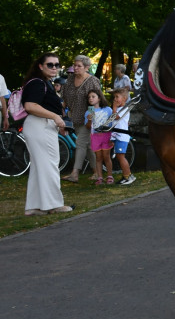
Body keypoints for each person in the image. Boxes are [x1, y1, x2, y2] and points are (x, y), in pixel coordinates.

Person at [21, 53, 73, 215]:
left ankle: (35, 207)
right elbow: (30, 106)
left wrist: (58, 122)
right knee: (49, 166)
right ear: (40, 66)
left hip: (41, 126)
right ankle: (53, 205)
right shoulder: (37, 83)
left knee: (40, 167)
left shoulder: (43, 83)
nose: (54, 68)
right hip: (40, 126)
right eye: (50, 64)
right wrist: (55, 117)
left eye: (57, 65)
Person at [61, 55, 102, 183]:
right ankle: (97, 172)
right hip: (75, 118)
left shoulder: (92, 81)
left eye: (79, 66)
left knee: (80, 144)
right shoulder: (70, 79)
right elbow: (65, 96)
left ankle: (75, 173)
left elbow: (95, 101)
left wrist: (90, 120)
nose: (76, 68)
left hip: (88, 119)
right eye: (75, 65)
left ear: (87, 67)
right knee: (88, 146)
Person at [85, 90, 114, 185]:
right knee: (98, 158)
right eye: (89, 97)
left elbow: (112, 122)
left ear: (99, 98)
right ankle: (100, 177)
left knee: (106, 156)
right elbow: (88, 127)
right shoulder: (89, 111)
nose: (90, 98)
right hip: (95, 136)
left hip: (106, 135)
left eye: (93, 96)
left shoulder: (107, 109)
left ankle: (109, 176)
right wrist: (89, 120)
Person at [108, 87, 136, 185]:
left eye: (117, 97)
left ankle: (128, 176)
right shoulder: (119, 109)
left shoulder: (124, 109)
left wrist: (114, 108)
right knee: (119, 156)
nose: (115, 99)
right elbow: (112, 121)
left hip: (122, 136)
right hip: (117, 136)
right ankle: (126, 175)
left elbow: (115, 117)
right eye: (114, 97)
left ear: (124, 98)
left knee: (121, 156)